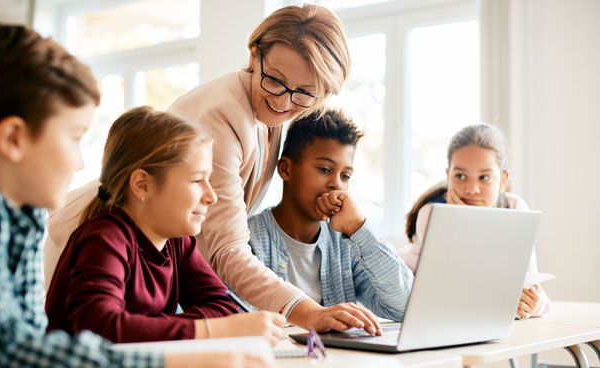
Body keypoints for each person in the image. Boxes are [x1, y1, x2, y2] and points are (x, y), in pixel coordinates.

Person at [47, 4, 381, 335]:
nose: (282, 102)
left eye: (303, 93)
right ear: (254, 56)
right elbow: (227, 251)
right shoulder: (220, 116)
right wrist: (305, 312)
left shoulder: (181, 242)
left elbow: (219, 302)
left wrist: (208, 326)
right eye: (275, 80)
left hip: (151, 249)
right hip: (106, 251)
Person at [0, 20, 271, 368]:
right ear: (13, 139)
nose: (79, 164)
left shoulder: (26, 214)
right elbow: (2, 352)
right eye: (75, 137)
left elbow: (27, 343)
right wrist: (193, 351)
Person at [46, 106, 285, 346]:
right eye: (196, 180)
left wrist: (145, 327)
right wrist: (211, 329)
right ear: (142, 185)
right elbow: (100, 329)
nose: (211, 196)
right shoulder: (104, 239)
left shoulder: (177, 241)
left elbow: (224, 306)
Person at [247, 110, 413, 321]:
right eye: (325, 169)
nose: (337, 184)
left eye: (346, 176)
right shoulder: (248, 241)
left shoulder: (347, 244)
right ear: (286, 169)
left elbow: (404, 308)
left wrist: (358, 228)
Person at [398, 123, 550, 318]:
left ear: (503, 180)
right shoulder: (431, 214)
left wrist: (537, 305)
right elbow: (440, 292)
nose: (472, 189)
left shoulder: (515, 209)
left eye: (484, 177)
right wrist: (460, 223)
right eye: (460, 176)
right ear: (448, 176)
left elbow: (532, 285)